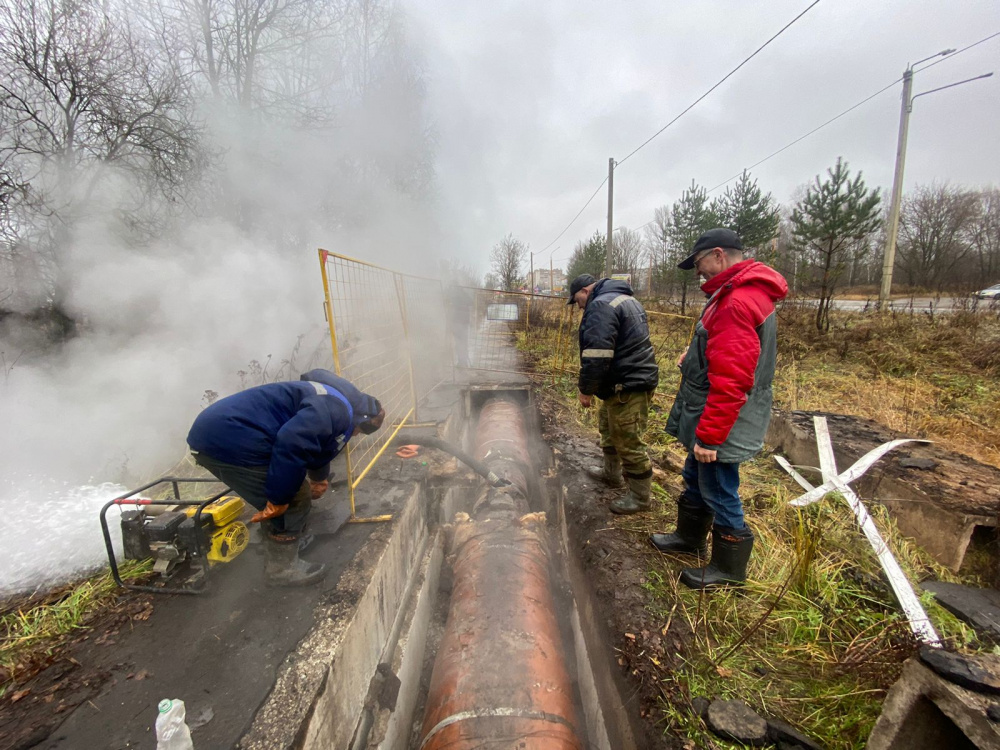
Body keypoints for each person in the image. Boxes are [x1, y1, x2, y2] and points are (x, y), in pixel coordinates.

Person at [650, 228, 788, 589]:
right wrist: (694, 356)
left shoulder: (735, 301)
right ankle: (689, 538)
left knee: (718, 486)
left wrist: (710, 437)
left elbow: (732, 379)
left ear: (718, 255)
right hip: (714, 412)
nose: (697, 271)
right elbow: (724, 351)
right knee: (696, 474)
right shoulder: (731, 294)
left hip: (724, 417)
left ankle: (728, 570)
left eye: (698, 263)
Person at [187, 370, 385, 586]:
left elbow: (317, 440)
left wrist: (319, 478)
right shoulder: (339, 412)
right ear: (360, 420)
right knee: (294, 497)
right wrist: (280, 499)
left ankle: (282, 542)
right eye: (358, 431)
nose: (355, 435)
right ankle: (281, 569)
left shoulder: (335, 399)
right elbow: (293, 445)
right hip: (227, 439)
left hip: (224, 428)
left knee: (288, 488)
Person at [568, 273, 659, 514]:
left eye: (577, 300)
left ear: (585, 291)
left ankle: (640, 498)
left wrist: (586, 390)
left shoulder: (601, 305)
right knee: (608, 429)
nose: (578, 306)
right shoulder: (625, 299)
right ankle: (611, 474)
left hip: (627, 384)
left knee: (628, 441)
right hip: (623, 381)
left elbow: (597, 354)